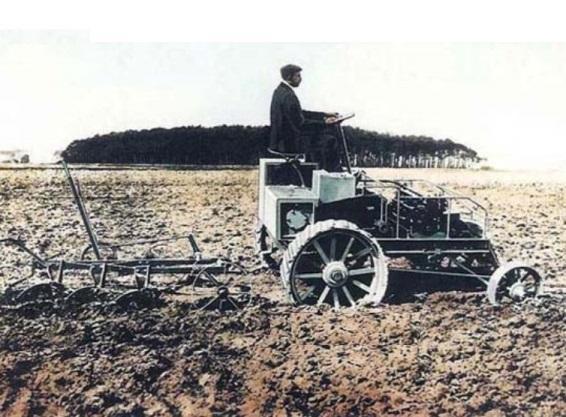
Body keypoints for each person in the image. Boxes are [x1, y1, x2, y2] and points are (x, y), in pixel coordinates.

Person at [269, 64, 341, 172]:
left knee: (322, 137)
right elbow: (300, 123)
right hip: (289, 144)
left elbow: (298, 113)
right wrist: (325, 122)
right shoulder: (289, 96)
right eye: (298, 76)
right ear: (289, 77)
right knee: (330, 140)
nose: (300, 79)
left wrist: (324, 115)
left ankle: (321, 172)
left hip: (280, 141)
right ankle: (334, 174)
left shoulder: (280, 91)